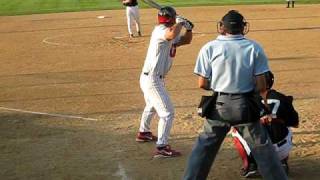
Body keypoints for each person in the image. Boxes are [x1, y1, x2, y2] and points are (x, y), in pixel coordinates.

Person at [183, 10, 288, 180]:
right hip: (246, 107)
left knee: (203, 149)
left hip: (219, 106)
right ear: (243, 27)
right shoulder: (254, 47)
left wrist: (220, 84)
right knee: (264, 151)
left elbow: (202, 84)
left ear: (221, 27)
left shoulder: (209, 47)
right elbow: (262, 86)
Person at [136, 6, 193, 158]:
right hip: (152, 79)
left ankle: (144, 132)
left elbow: (186, 40)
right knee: (167, 113)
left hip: (153, 78)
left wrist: (188, 28)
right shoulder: (160, 30)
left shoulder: (169, 31)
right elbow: (171, 34)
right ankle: (162, 147)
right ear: (172, 19)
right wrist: (180, 22)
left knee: (152, 105)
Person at [231, 71, 299, 178]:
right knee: (287, 125)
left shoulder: (247, 100)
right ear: (271, 82)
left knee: (235, 130)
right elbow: (296, 124)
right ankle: (282, 162)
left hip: (259, 150)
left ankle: (251, 165)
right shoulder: (282, 97)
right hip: (282, 148)